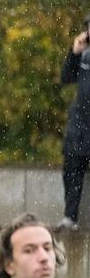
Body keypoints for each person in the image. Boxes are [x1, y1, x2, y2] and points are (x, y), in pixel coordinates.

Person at [58, 16, 90, 231]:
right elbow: (66, 77)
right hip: (81, 122)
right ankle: (70, 216)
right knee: (72, 167)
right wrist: (74, 53)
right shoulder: (83, 55)